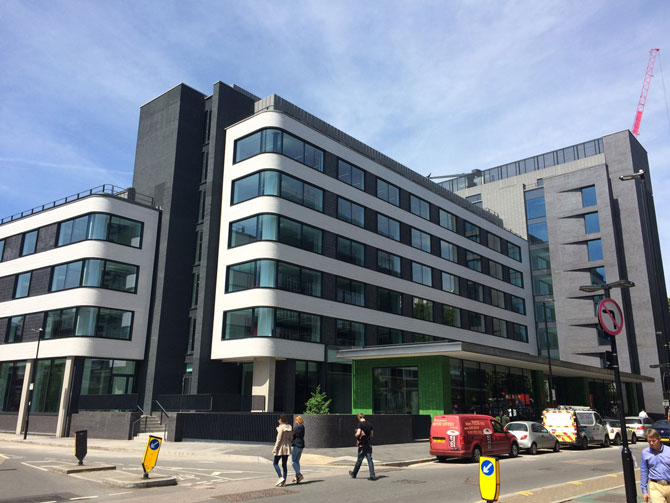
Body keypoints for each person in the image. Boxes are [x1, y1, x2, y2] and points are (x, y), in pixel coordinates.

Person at [640, 429, 670, 502]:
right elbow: (644, 471)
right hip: (655, 485)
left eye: (654, 441)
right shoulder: (645, 453)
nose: (651, 443)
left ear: (659, 439)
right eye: (649, 441)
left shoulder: (668, 451)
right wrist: (644, 491)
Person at [349, 412, 376, 481]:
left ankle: (354, 473)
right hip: (369, 444)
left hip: (362, 445)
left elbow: (358, 434)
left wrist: (355, 434)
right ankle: (372, 475)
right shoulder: (370, 424)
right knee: (370, 460)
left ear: (359, 417)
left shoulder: (360, 424)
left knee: (359, 460)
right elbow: (372, 435)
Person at [272, 415, 293, 487]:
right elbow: (291, 438)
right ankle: (284, 482)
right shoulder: (290, 427)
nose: (278, 421)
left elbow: (279, 439)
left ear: (280, 420)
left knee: (275, 463)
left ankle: (280, 477)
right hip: (287, 446)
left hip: (281, 447)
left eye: (279, 420)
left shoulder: (281, 428)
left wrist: (275, 448)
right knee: (284, 464)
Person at [290, 415, 305, 484]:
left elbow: (292, 435)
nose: (294, 421)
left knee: (292, 461)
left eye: (295, 420)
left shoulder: (297, 427)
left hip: (296, 444)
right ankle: (297, 477)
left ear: (297, 420)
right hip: (301, 445)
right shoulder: (302, 427)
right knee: (297, 461)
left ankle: (299, 474)